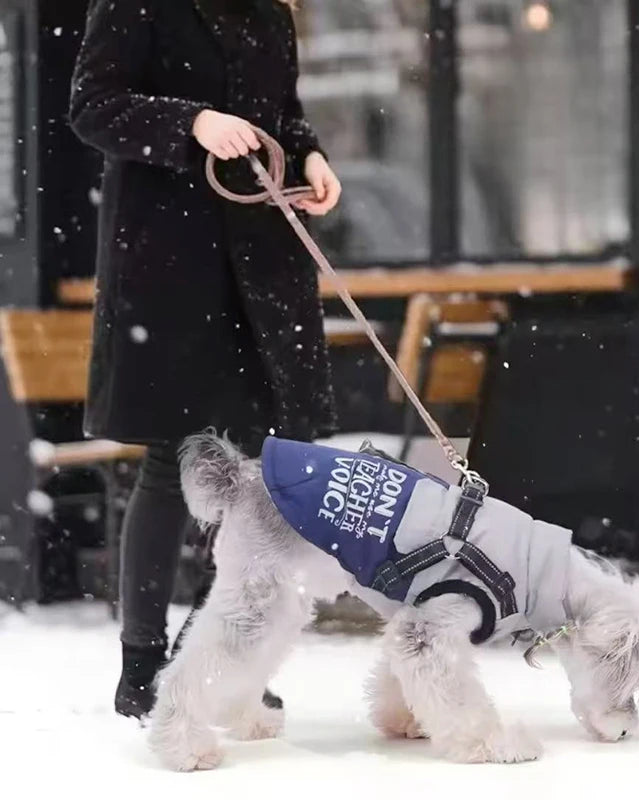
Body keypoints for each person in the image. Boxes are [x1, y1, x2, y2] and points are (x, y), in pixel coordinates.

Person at [69, 0, 341, 718]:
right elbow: (92, 107)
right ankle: (143, 665)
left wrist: (309, 156)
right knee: (174, 460)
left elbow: (282, 113)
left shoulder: (272, 12)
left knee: (259, 470)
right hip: (172, 265)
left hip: (265, 267)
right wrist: (190, 122)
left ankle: (217, 657)